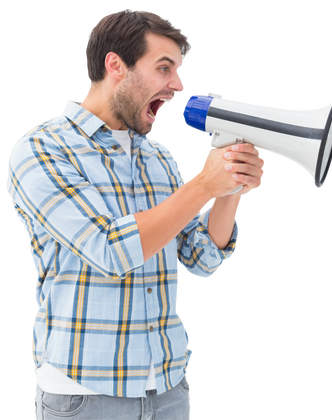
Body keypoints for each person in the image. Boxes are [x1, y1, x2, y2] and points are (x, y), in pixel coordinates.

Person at [6, 6, 266, 419]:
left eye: (179, 71)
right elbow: (110, 250)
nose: (179, 85)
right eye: (164, 68)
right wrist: (203, 184)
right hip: (84, 395)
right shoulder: (40, 148)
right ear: (116, 65)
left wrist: (231, 187)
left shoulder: (160, 156)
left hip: (169, 388)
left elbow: (201, 259)